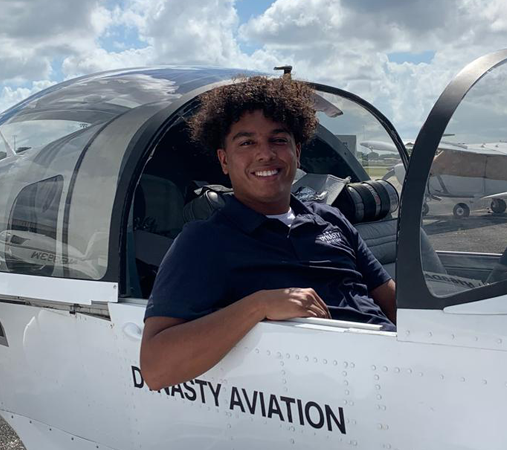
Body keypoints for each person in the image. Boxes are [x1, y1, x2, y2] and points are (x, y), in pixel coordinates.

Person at [140, 76, 396, 390]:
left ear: (297, 152)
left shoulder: (331, 218)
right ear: (224, 160)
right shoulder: (204, 241)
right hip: (343, 389)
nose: (265, 154)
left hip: (395, 367)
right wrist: (258, 306)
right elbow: (156, 369)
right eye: (247, 143)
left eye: (278, 140)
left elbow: (392, 302)